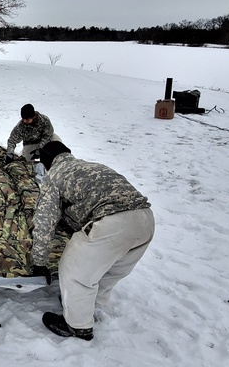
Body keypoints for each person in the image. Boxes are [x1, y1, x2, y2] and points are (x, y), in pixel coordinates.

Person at [31, 141, 154, 341]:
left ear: (46, 162)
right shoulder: (92, 166)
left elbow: (45, 222)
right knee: (108, 271)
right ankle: (88, 305)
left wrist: (39, 262)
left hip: (112, 223)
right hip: (146, 220)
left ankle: (77, 326)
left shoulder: (53, 176)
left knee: (74, 272)